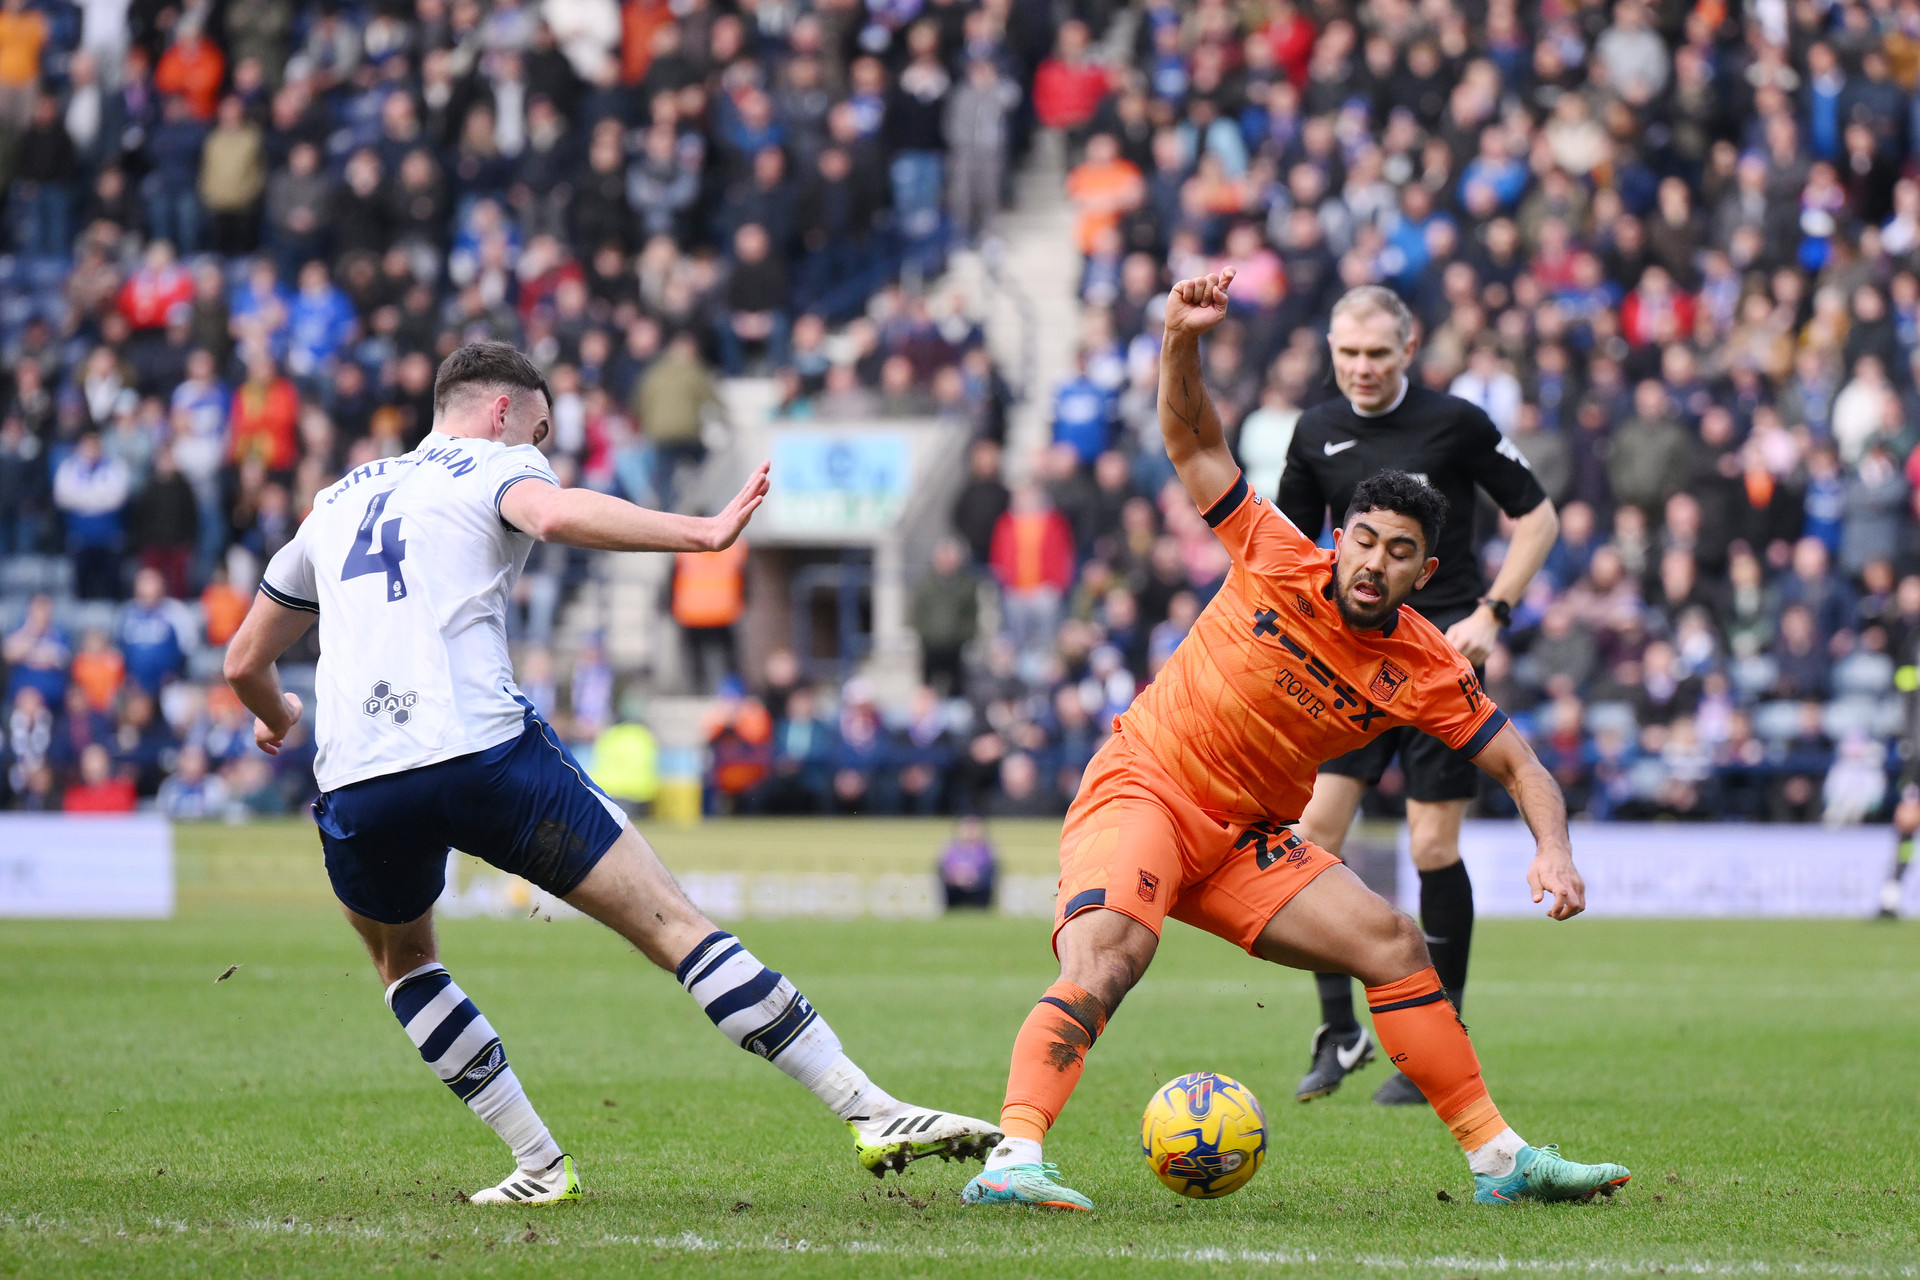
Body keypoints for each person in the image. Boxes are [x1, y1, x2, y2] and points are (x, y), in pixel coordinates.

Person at [222, 342, 999, 1206]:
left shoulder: (335, 500)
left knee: (406, 966)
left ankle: (538, 1166)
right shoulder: (494, 461)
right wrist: (700, 534)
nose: (546, 447)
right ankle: (867, 1106)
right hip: (482, 754)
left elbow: (245, 659)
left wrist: (277, 715)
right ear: (504, 411)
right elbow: (550, 516)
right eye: (544, 429)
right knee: (677, 928)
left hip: (361, 780)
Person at [961, 270, 1628, 1213]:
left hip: (1245, 838)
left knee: (1396, 942)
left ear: (1423, 570)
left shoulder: (1426, 664)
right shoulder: (1276, 555)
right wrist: (1179, 338)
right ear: (1340, 534)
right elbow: (1193, 439)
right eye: (1364, 539)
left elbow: (1521, 765)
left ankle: (1499, 1161)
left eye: (1399, 553)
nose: (1373, 562)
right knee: (1109, 955)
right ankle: (1016, 1157)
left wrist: (1553, 850)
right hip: (1149, 785)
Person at [1277, 285, 1560, 1106]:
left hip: (1438, 665)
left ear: (1409, 350)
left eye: (1377, 354)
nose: (1361, 369)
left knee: (1431, 849)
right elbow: (1292, 556)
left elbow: (1537, 519)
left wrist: (1492, 614)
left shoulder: (1457, 423)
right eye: (1348, 354)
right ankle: (1341, 1031)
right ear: (1331, 351)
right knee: (1311, 843)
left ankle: (1436, 1042)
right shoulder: (1314, 432)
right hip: (1348, 667)